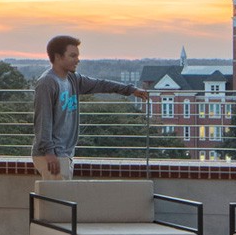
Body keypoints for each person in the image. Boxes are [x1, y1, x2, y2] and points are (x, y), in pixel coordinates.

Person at [30, 34, 148, 177]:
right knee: (56, 198)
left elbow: (101, 84)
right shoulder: (47, 83)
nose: (77, 60)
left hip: (63, 153)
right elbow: (43, 120)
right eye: (72, 56)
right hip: (51, 155)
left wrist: (131, 90)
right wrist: (49, 153)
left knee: (59, 197)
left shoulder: (72, 79)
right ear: (58, 56)